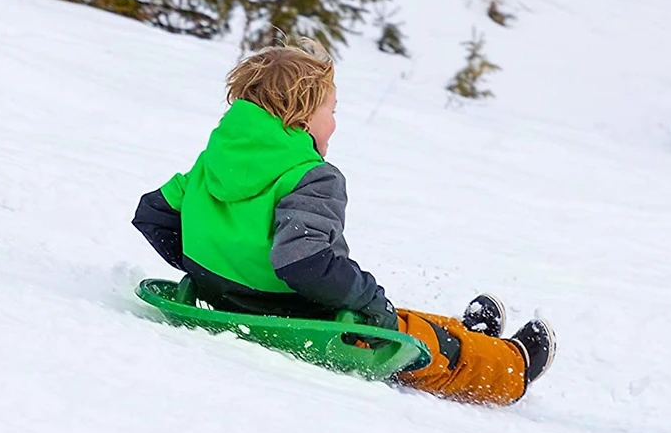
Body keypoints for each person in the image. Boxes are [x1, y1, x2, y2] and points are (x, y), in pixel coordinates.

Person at [132, 39, 556, 405]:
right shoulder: (308, 175)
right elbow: (305, 262)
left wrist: (211, 267)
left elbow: (154, 214)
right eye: (331, 110)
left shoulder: (214, 162)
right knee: (409, 337)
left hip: (230, 301)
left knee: (392, 314)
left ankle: (474, 336)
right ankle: (509, 366)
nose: (335, 121)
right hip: (298, 314)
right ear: (300, 117)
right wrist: (369, 298)